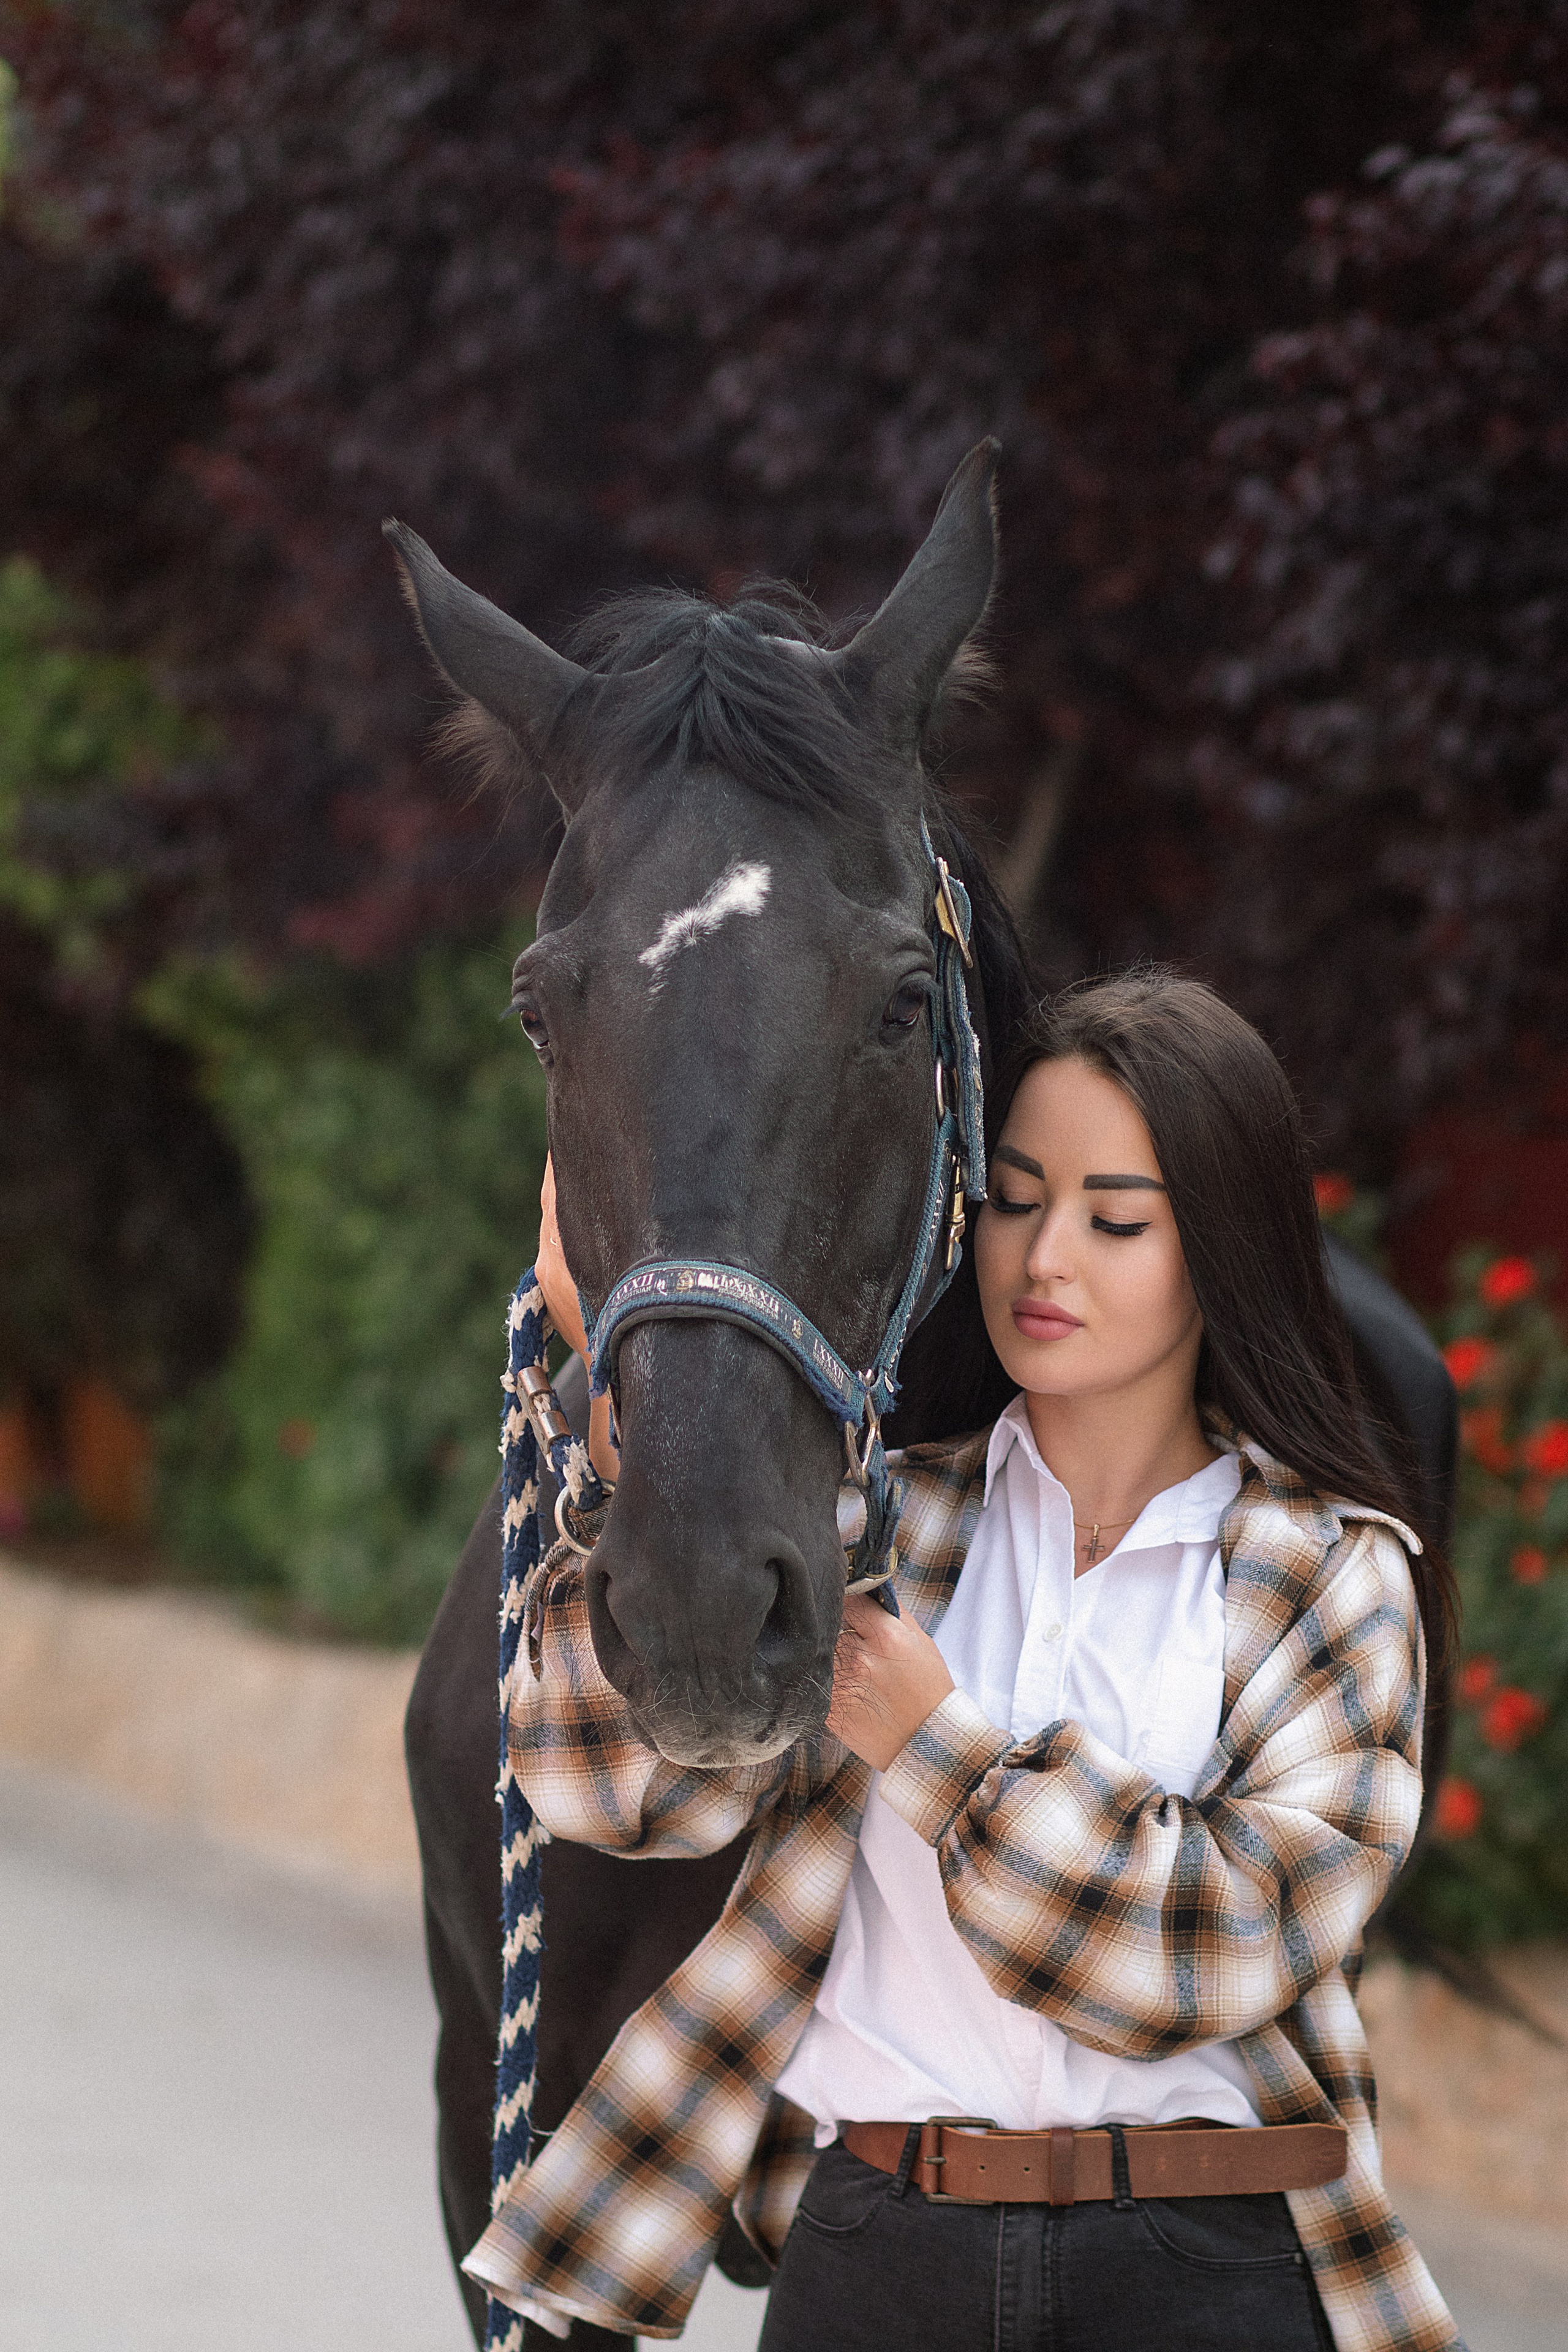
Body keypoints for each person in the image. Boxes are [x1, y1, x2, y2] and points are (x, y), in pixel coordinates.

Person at [464, 970, 1462, 2352]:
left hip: (1204, 2274)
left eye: (1113, 1219)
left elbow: (1212, 1949)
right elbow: (617, 1791)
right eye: (1011, 1198)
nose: (1042, 1256)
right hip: (879, 2253)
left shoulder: (1329, 1574)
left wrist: (937, 1753)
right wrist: (636, 1436)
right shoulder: (874, 1526)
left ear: (1219, 1245)